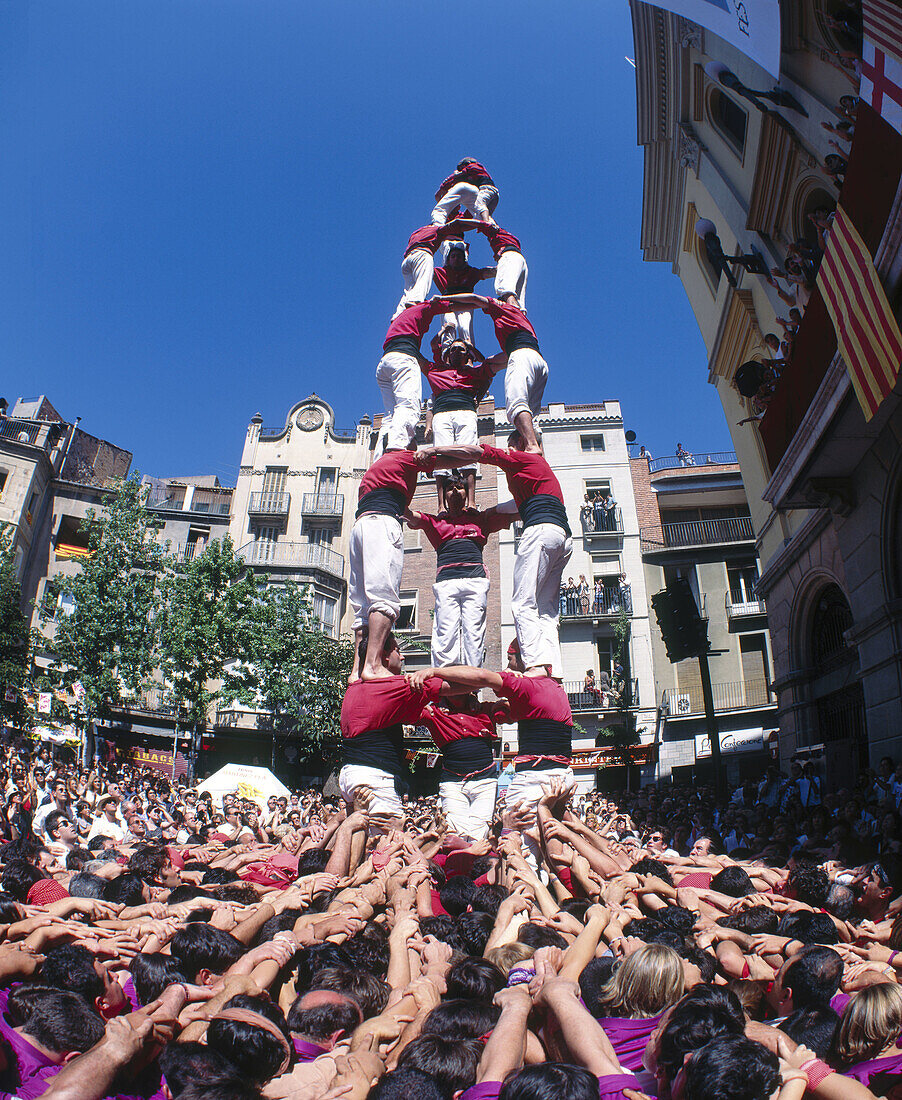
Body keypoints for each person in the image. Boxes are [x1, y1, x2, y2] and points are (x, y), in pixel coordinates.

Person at [426, 432, 572, 676]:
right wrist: (489, 513)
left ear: (519, 444)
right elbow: (518, 506)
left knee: (523, 602)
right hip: (563, 536)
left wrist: (436, 452)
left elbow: (476, 452)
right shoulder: (541, 470)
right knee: (546, 608)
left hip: (541, 531)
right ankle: (553, 669)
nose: (509, 450)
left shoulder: (522, 458)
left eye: (510, 446)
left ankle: (535, 664)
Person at [347, 445, 437, 682]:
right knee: (383, 598)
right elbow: (448, 459)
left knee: (362, 605)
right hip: (381, 522)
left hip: (361, 525)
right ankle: (373, 664)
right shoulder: (403, 456)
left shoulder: (374, 471)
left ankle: (357, 669)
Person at [406, 473, 512, 668]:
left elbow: (510, 512)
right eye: (450, 488)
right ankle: (447, 679)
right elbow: (411, 515)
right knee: (445, 633)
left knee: (474, 633)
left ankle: (472, 680)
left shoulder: (480, 519)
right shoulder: (436, 522)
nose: (455, 490)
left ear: (467, 493)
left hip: (475, 583)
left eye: (459, 487)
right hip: (446, 584)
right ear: (444, 495)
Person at [339, 630, 447, 819]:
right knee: (387, 839)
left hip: (351, 774)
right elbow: (451, 686)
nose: (403, 656)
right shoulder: (391, 686)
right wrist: (494, 681)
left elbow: (358, 646)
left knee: (358, 835)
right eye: (398, 650)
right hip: (374, 776)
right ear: (384, 656)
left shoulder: (355, 684)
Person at [440, 293, 547, 450]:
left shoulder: (504, 307)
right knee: (532, 414)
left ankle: (532, 447)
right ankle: (531, 448)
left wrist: (444, 302)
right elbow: (495, 360)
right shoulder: (521, 321)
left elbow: (474, 299)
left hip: (522, 356)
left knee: (516, 405)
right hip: (538, 360)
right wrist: (487, 364)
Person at [422, 332, 504, 509]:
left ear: (468, 354)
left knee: (469, 452)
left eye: (461, 349)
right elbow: (433, 344)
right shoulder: (436, 371)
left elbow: (487, 365)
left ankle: (472, 502)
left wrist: (472, 348)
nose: (457, 352)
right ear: (447, 354)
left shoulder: (475, 372)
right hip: (442, 414)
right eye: (453, 349)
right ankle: (441, 505)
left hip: (466, 411)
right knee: (439, 457)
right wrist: (443, 332)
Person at [418, 694, 505, 841]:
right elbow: (403, 712)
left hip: (485, 781)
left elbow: (512, 710)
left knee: (480, 833)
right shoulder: (435, 712)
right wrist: (424, 700)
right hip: (453, 783)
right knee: (455, 833)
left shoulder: (484, 708)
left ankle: (474, 861)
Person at [376, 298, 454, 454]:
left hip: (385, 362)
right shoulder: (422, 307)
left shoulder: (398, 319)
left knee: (391, 414)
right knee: (407, 405)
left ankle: (380, 456)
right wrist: (483, 303)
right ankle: (396, 448)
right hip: (402, 360)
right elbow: (453, 303)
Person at [392, 220, 471, 320]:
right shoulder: (436, 229)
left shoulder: (417, 232)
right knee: (423, 280)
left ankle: (399, 313)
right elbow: (456, 226)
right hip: (422, 254)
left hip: (408, 259)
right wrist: (480, 225)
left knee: (409, 289)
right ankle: (416, 302)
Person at [432, 240, 495, 345]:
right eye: (453, 256)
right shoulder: (440, 272)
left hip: (466, 303)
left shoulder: (470, 272)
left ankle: (467, 353)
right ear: (448, 259)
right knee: (449, 325)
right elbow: (426, 272)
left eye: (459, 256)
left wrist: (501, 268)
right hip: (447, 302)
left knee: (464, 327)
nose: (456, 259)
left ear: (464, 259)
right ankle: (447, 353)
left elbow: (486, 273)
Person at [431, 158, 498, 227]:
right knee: (479, 213)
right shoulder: (479, 171)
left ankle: (437, 226)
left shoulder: (469, 168)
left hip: (463, 187)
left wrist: (448, 203)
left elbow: (437, 195)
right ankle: (493, 228)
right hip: (476, 191)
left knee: (440, 209)